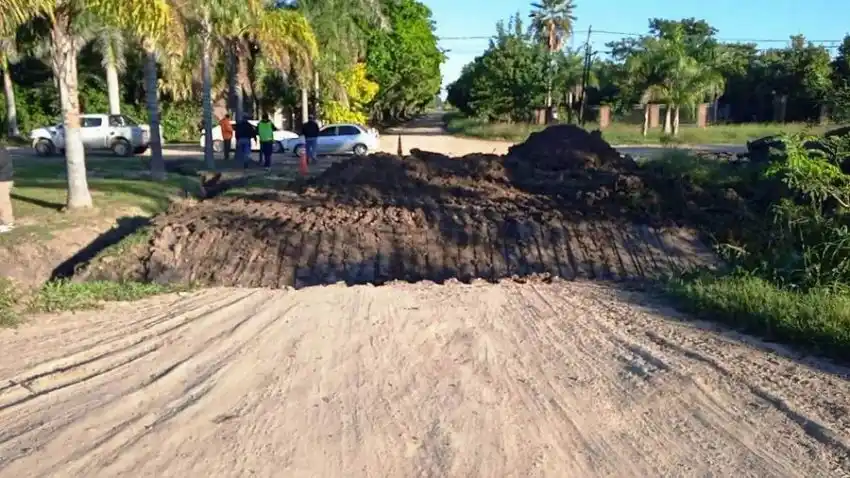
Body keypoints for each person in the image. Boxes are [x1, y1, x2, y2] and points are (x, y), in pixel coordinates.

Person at [0, 143, 14, 233]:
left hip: (3, 180)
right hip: (4, 179)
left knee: (3, 202)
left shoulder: (1, 151)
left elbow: (1, 163)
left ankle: (8, 224)